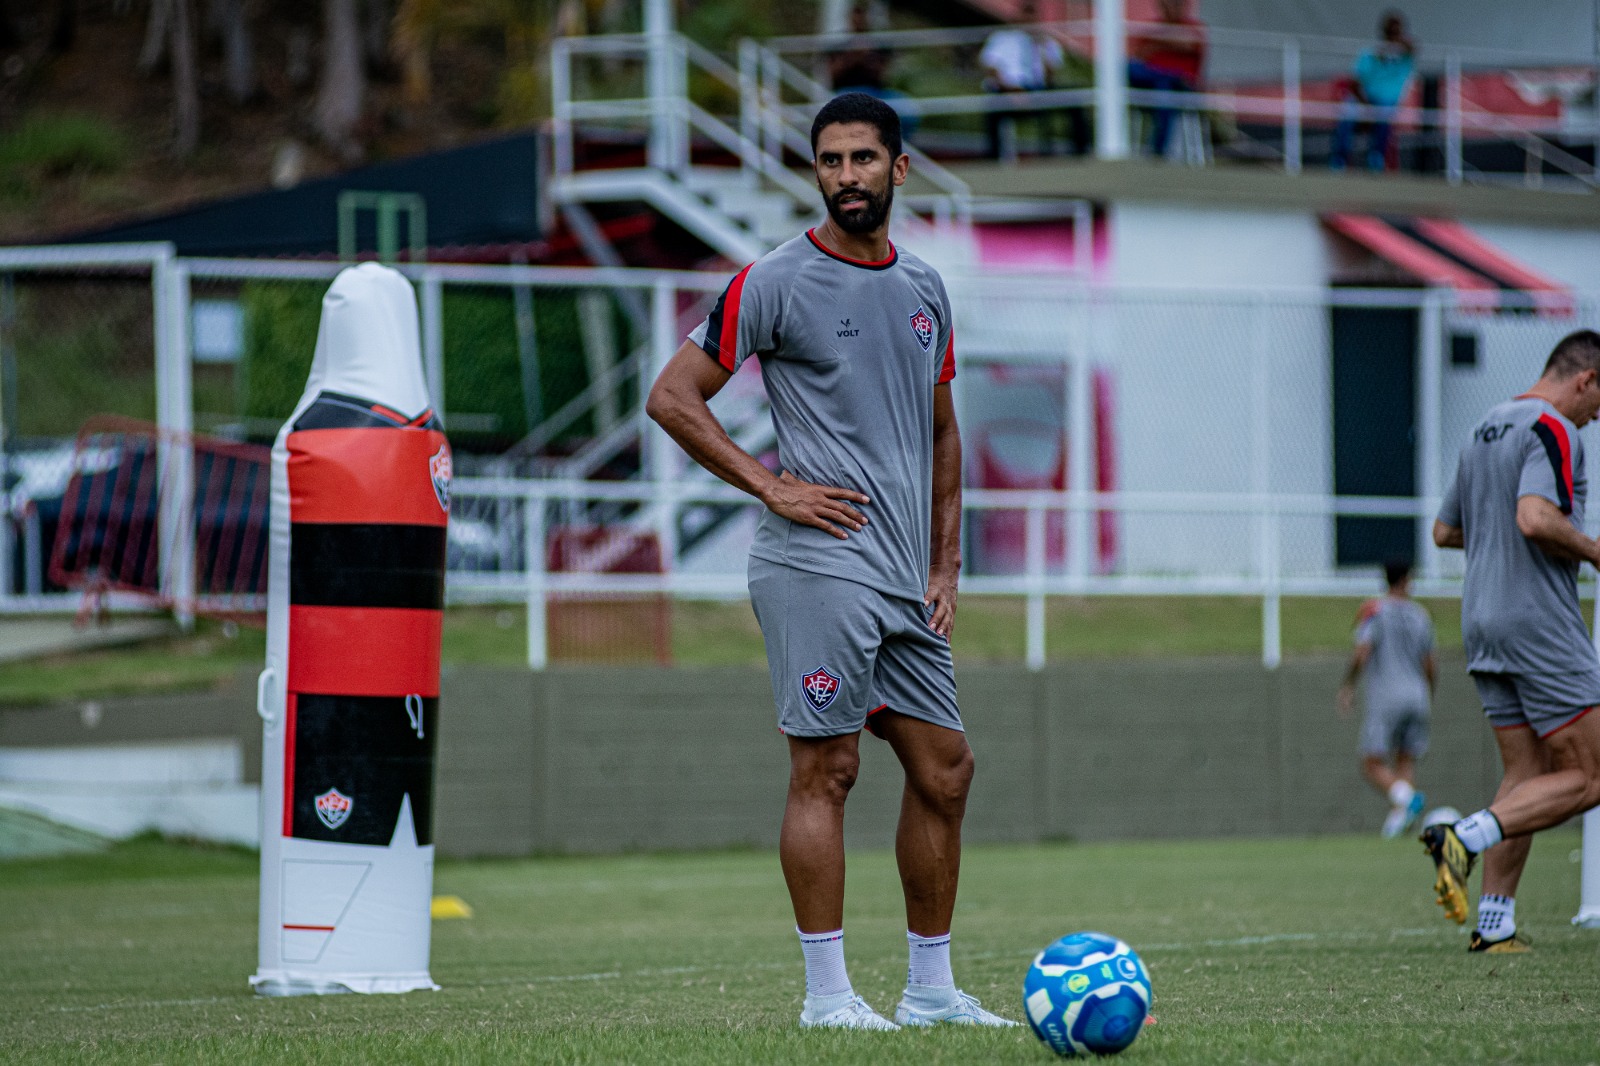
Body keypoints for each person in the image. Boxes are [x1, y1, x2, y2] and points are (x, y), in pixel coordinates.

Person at [645, 92, 1015, 1031]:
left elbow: (942, 433)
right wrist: (774, 488)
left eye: (862, 159)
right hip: (815, 566)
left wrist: (947, 565)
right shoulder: (772, 280)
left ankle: (930, 992)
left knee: (947, 770)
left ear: (900, 169)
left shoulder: (925, 288)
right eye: (829, 160)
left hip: (904, 580)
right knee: (830, 770)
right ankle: (829, 1000)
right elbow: (673, 397)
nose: (845, 176)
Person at [1425, 329, 1600, 953]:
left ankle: (1493, 925)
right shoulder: (1555, 428)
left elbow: (1445, 531)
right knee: (1589, 776)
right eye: (1599, 402)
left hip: (1482, 619)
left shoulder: (1483, 428)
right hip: (1537, 621)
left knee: (1526, 771)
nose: (1596, 417)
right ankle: (1464, 837)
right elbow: (1534, 518)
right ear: (1584, 379)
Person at [1338, 560, 1436, 839]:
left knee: (1371, 763)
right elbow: (1430, 664)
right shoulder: (1421, 615)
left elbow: (1362, 651)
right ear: (1408, 579)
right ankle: (1397, 830)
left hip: (1387, 696)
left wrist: (1348, 685)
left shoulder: (1373, 610)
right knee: (1405, 760)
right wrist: (1429, 693)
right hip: (1418, 695)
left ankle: (1407, 800)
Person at [979, 0, 1077, 158]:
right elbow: (991, 69)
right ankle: (993, 158)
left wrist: (1042, 48)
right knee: (993, 108)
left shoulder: (1047, 42)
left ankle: (1079, 153)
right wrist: (1013, 92)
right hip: (1008, 89)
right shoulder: (1002, 39)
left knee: (1074, 99)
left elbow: (1050, 77)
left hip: (1037, 89)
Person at [1331, 10, 1415, 172]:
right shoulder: (1369, 54)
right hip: (1363, 100)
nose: (1392, 35)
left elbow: (1413, 47)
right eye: (1389, 31)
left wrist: (1394, 44)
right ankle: (1339, 160)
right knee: (1347, 113)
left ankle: (1376, 159)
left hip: (1386, 104)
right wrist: (1367, 108)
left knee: (1384, 113)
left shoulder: (1405, 57)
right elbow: (1354, 84)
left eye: (1395, 31)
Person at [1127, 0, 1207, 158]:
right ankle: (1157, 150)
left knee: (1165, 88)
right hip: (1153, 84)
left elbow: (1189, 43)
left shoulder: (1194, 28)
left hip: (1181, 87)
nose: (1171, 7)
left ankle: (1159, 152)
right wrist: (1167, 43)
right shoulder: (1152, 29)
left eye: (1175, 3)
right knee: (1129, 68)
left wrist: (1158, 44)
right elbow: (1138, 57)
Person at [828, 2, 890, 95]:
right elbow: (833, 74)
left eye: (861, 19)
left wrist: (866, 59)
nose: (858, 23)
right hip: (845, 91)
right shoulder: (840, 47)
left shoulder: (876, 46)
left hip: (874, 91)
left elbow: (883, 75)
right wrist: (852, 58)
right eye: (855, 19)